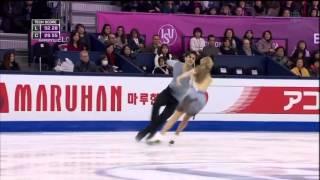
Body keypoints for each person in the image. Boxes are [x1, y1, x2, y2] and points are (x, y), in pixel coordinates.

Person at [135, 51, 197, 142]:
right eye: (190, 57)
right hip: (168, 92)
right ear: (185, 58)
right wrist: (165, 61)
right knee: (156, 105)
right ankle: (152, 130)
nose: (191, 59)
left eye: (193, 58)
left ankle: (145, 132)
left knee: (162, 118)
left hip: (176, 101)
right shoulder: (177, 64)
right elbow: (167, 61)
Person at [151, 56, 214, 144]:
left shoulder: (198, 69)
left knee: (175, 117)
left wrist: (179, 78)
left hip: (192, 95)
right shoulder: (210, 77)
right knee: (185, 119)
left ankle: (161, 136)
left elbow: (188, 74)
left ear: (203, 62)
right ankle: (175, 138)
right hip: (201, 99)